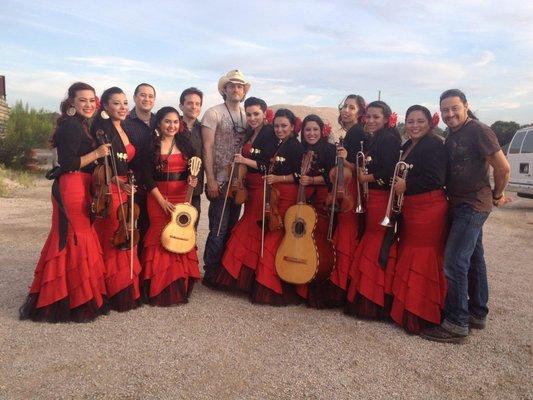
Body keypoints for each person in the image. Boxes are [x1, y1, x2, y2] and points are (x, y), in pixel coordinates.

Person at [421, 89, 511, 343]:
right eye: (445, 109)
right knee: (473, 259)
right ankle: (477, 312)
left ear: (466, 106)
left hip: (473, 205)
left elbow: (503, 168)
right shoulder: (452, 134)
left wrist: (496, 194)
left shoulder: (479, 131)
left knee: (454, 261)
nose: (449, 114)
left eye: (454, 108)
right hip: (459, 204)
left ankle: (456, 323)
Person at [19, 82, 110, 322]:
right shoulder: (71, 126)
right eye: (83, 100)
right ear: (72, 102)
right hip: (72, 185)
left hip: (80, 184)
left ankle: (74, 295)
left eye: (92, 100)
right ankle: (65, 300)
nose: (89, 104)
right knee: (73, 238)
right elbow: (68, 163)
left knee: (78, 238)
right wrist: (97, 154)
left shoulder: (81, 125)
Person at [389, 105, 448, 334]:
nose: (414, 126)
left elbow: (436, 178)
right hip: (413, 208)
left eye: (419, 121)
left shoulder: (434, 145)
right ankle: (408, 308)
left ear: (429, 123)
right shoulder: (409, 145)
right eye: (410, 121)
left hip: (429, 209)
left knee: (423, 257)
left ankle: (422, 313)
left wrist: (407, 185)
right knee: (410, 253)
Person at [344, 100, 401, 319]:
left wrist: (367, 176)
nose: (371, 120)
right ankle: (369, 293)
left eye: (376, 117)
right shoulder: (376, 137)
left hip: (381, 197)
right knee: (372, 240)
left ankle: (372, 296)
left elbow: (389, 170)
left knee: (375, 242)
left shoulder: (388, 139)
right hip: (374, 196)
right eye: (368, 116)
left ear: (386, 119)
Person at [214, 97, 278, 292]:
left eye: (256, 114)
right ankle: (246, 275)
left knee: (251, 226)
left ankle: (249, 277)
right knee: (250, 226)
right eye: (249, 114)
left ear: (265, 114)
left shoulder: (269, 134)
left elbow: (267, 164)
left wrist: (243, 160)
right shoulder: (251, 132)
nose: (252, 118)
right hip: (248, 185)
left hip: (261, 186)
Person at [140, 107, 200, 306]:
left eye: (175, 122)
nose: (172, 126)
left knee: (179, 234)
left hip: (181, 197)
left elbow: (192, 172)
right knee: (159, 234)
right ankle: (158, 285)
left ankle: (178, 284)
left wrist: (193, 181)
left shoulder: (186, 144)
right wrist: (161, 201)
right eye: (167, 121)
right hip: (158, 198)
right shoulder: (151, 146)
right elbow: (147, 178)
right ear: (159, 124)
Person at [92, 87, 142, 312]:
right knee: (113, 234)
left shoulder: (124, 127)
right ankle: (112, 290)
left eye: (124, 103)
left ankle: (126, 287)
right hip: (111, 187)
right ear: (105, 106)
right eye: (116, 103)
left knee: (126, 231)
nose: (122, 108)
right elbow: (99, 163)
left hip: (125, 186)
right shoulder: (102, 130)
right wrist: (116, 180)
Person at [201, 70, 249, 286]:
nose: (236, 89)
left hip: (238, 181)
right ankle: (210, 271)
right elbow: (207, 147)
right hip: (219, 180)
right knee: (217, 228)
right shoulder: (213, 113)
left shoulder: (247, 116)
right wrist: (210, 179)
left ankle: (224, 271)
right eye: (232, 85)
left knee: (231, 226)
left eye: (240, 86)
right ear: (225, 89)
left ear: (243, 90)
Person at [252, 108, 305, 305]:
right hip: (276, 194)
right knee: (274, 235)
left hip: (287, 196)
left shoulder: (296, 147)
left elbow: (301, 175)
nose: (279, 129)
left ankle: (272, 286)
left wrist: (279, 178)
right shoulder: (280, 144)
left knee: (276, 237)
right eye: (276, 126)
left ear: (292, 127)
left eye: (284, 126)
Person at [327, 94, 367, 307]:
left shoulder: (358, 134)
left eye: (352, 108)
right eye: (345, 106)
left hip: (351, 188)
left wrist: (346, 162)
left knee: (347, 233)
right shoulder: (350, 133)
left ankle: (343, 285)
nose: (346, 111)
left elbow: (361, 167)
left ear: (360, 113)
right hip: (346, 186)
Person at [293, 114, 337, 307]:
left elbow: (333, 176)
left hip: (320, 198)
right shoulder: (300, 149)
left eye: (315, 130)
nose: (311, 133)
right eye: (307, 130)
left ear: (322, 131)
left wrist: (312, 180)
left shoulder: (330, 149)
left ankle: (314, 283)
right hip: (302, 196)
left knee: (317, 240)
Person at [122, 83, 157, 258]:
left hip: (156, 185)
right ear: (135, 97)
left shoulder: (159, 121)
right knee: (132, 229)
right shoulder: (125, 123)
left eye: (150, 96)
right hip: (134, 184)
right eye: (143, 95)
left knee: (150, 228)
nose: (147, 99)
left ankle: (147, 269)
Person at [179, 87, 205, 218]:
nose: (194, 107)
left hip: (195, 188)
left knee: (191, 229)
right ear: (181, 106)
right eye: (189, 103)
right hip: (174, 186)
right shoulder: (172, 126)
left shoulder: (204, 129)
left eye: (197, 104)